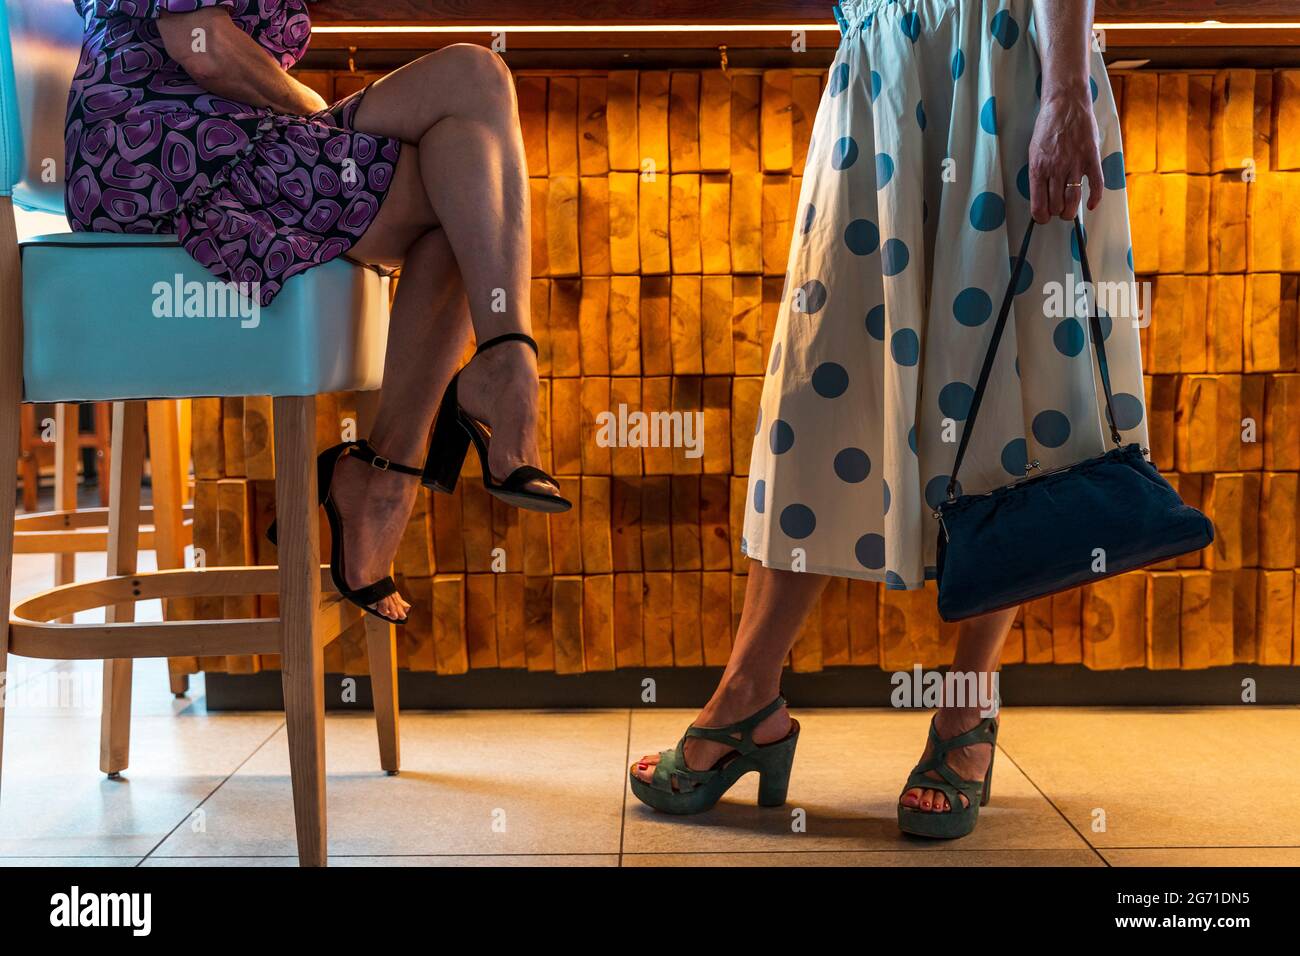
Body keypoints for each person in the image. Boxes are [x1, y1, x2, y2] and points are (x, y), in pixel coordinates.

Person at [630, 0, 1147, 839]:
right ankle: (747, 694)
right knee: (818, 395)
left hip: (1002, 51)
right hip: (877, 67)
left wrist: (1062, 93)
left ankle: (964, 711)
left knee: (1002, 405)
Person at [66, 0, 568, 624]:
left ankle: (428, 440)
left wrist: (311, 119)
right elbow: (203, 44)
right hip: (160, 147)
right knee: (462, 162)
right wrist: (315, 114)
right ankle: (434, 438)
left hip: (230, 127)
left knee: (476, 91)